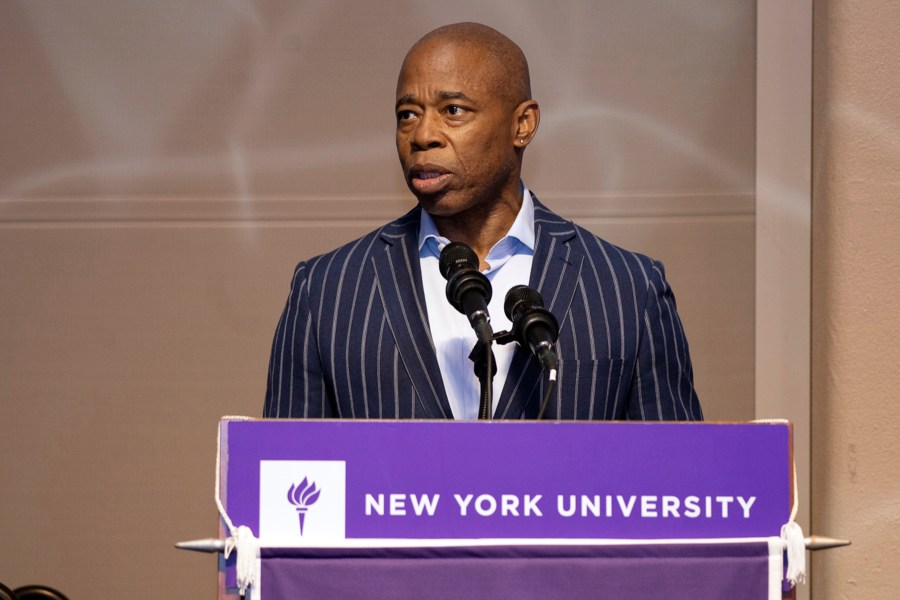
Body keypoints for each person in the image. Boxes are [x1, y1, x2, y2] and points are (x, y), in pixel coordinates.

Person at [264, 22, 702, 421]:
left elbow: (678, 481)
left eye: (453, 110)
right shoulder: (326, 291)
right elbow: (280, 480)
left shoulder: (628, 288)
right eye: (407, 114)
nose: (422, 135)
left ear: (523, 124)